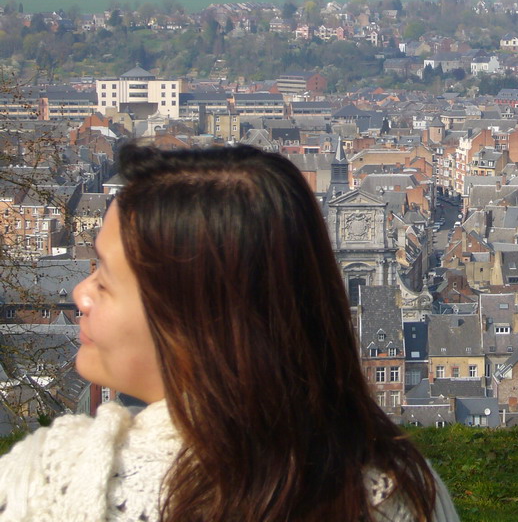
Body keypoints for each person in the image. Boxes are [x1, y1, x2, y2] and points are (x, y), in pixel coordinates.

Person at [0, 143, 460, 521]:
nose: (79, 292)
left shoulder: (45, 483)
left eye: (103, 276)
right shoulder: (405, 492)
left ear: (189, 316)